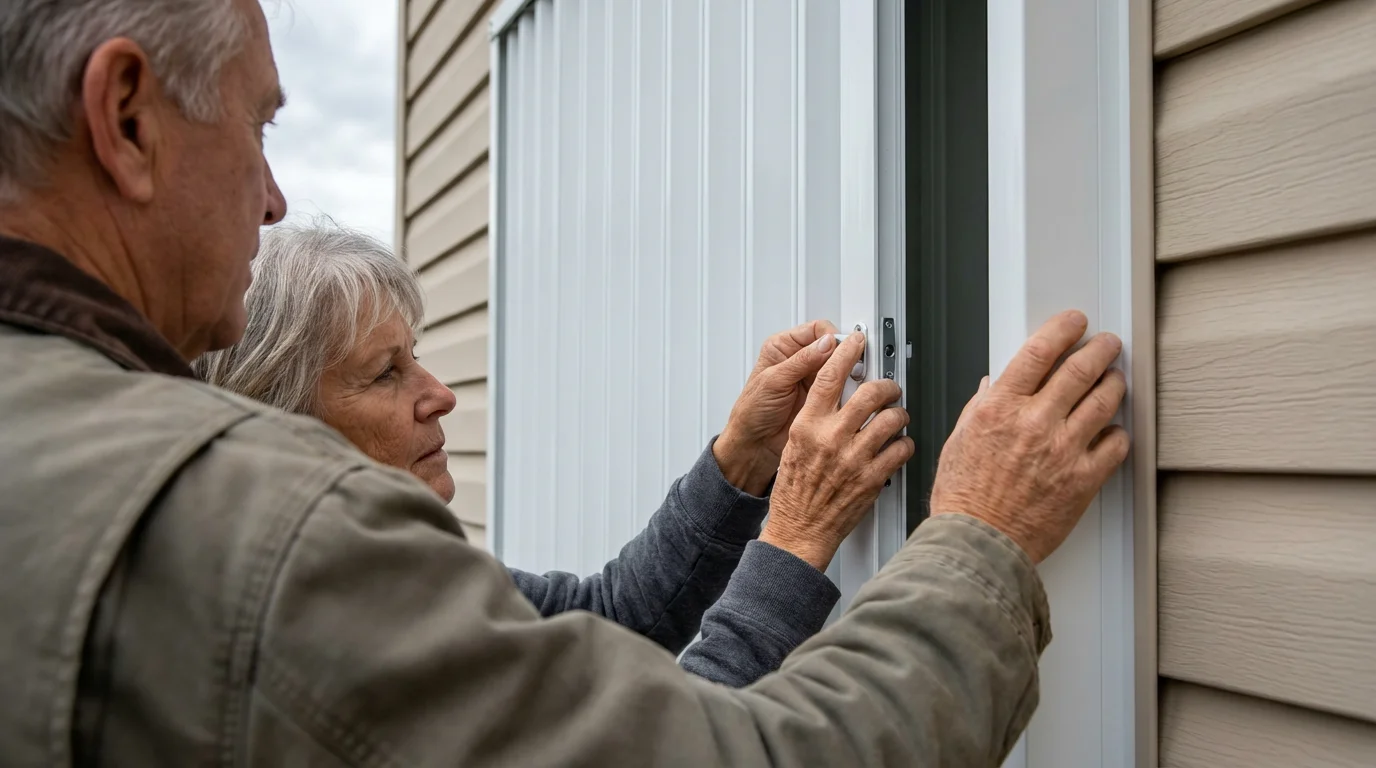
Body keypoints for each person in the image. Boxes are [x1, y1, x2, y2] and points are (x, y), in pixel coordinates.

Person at [0, 1, 1130, 766]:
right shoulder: (253, 538)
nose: (272, 194)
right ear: (127, 116)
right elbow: (720, 741)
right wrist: (974, 533)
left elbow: (600, 624)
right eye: (256, 125)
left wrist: (735, 471)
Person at [194, 220, 859, 687]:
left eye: (415, 358)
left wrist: (741, 458)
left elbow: (616, 619)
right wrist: (795, 539)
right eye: (384, 373)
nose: (441, 396)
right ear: (284, 428)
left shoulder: (402, 575)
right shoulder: (338, 639)